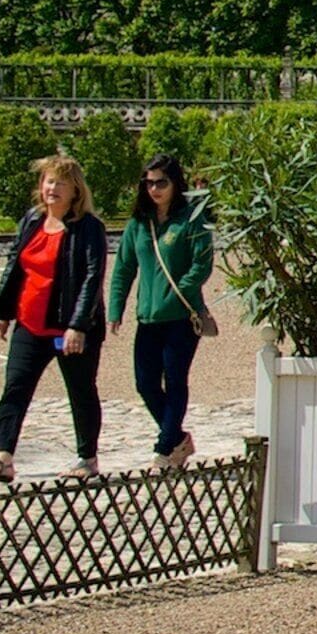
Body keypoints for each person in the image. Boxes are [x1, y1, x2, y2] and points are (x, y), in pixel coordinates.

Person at [0, 156, 107, 480]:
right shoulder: (31, 220)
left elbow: (93, 277)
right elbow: (15, 266)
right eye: (49, 181)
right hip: (31, 324)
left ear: (75, 189)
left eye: (60, 182)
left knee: (80, 391)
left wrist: (78, 325)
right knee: (15, 387)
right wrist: (2, 313)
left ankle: (87, 459)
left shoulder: (89, 228)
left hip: (70, 329)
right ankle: (3, 456)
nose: (52, 188)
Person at [108, 153, 214, 468]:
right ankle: (178, 439)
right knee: (145, 383)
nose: (154, 189)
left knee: (176, 379)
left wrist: (178, 290)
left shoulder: (191, 219)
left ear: (175, 183)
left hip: (181, 316)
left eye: (161, 182)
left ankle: (165, 448)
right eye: (149, 182)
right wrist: (116, 308)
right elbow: (123, 268)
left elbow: (202, 263)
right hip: (148, 318)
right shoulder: (138, 224)